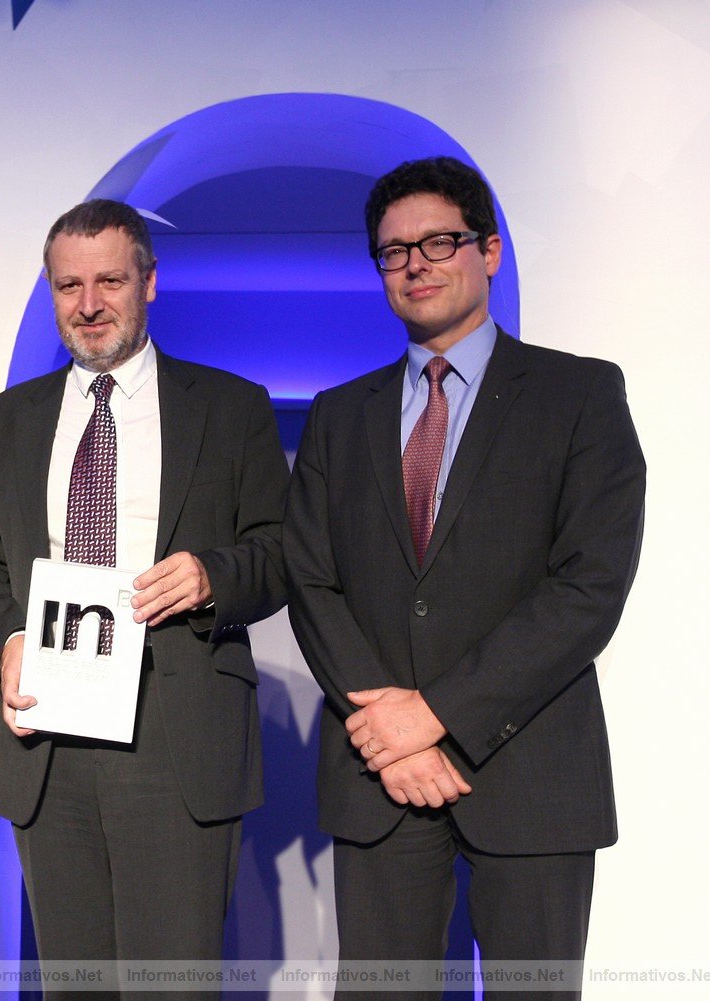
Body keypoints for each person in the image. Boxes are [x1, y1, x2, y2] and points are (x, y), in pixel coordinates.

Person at [284, 157, 646, 999]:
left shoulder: (580, 394)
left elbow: (588, 586)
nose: (415, 263)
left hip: (531, 773)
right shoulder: (339, 415)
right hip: (381, 781)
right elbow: (311, 578)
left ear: (488, 250)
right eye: (392, 251)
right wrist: (389, 727)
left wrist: (437, 717)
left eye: (438, 242)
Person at [0, 198, 288, 995]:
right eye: (69, 286)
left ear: (149, 281)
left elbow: (284, 553)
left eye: (110, 280)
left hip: (176, 734)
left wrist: (214, 576)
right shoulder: (5, 421)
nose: (89, 304)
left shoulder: (231, 406)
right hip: (49, 735)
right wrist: (7, 641)